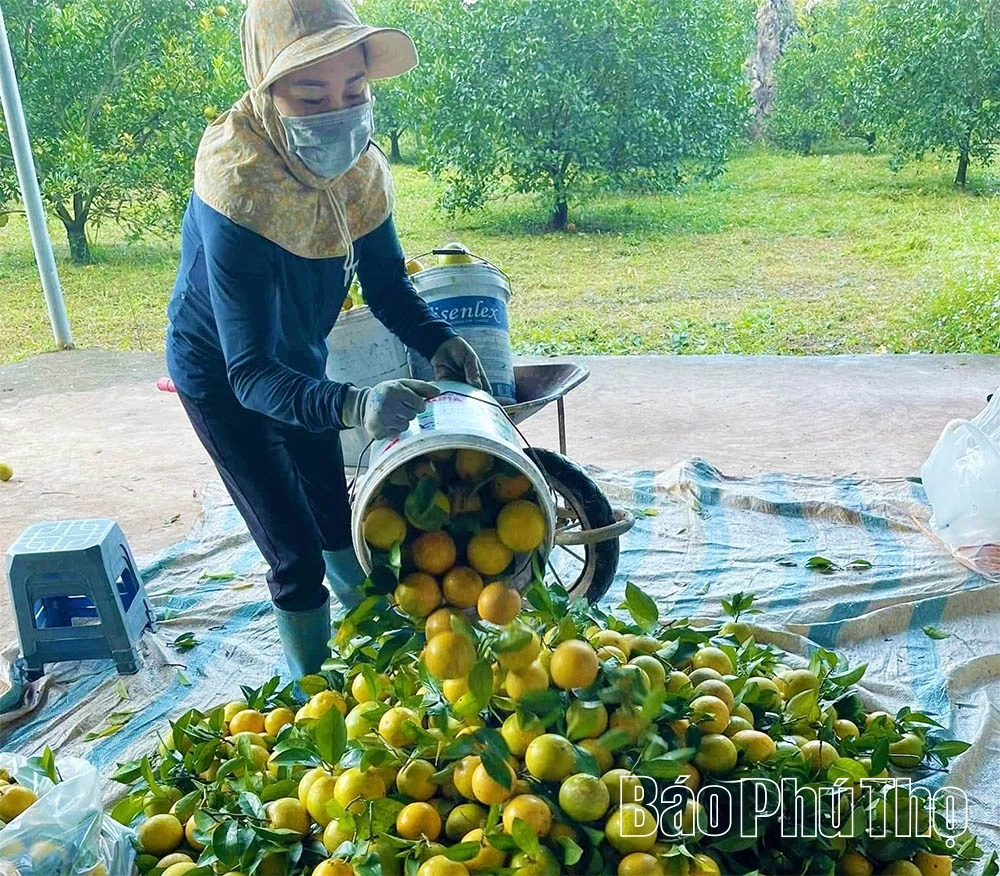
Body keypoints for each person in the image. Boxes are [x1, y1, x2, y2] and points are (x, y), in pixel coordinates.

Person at [165, 0, 488, 680]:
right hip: (224, 377)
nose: (337, 112)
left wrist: (437, 340)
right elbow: (250, 371)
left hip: (303, 365)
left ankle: (376, 644)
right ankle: (312, 700)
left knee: (337, 521)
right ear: (266, 89)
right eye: (310, 94)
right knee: (294, 552)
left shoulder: (360, 171)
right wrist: (352, 406)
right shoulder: (238, 183)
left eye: (354, 92)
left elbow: (386, 286)